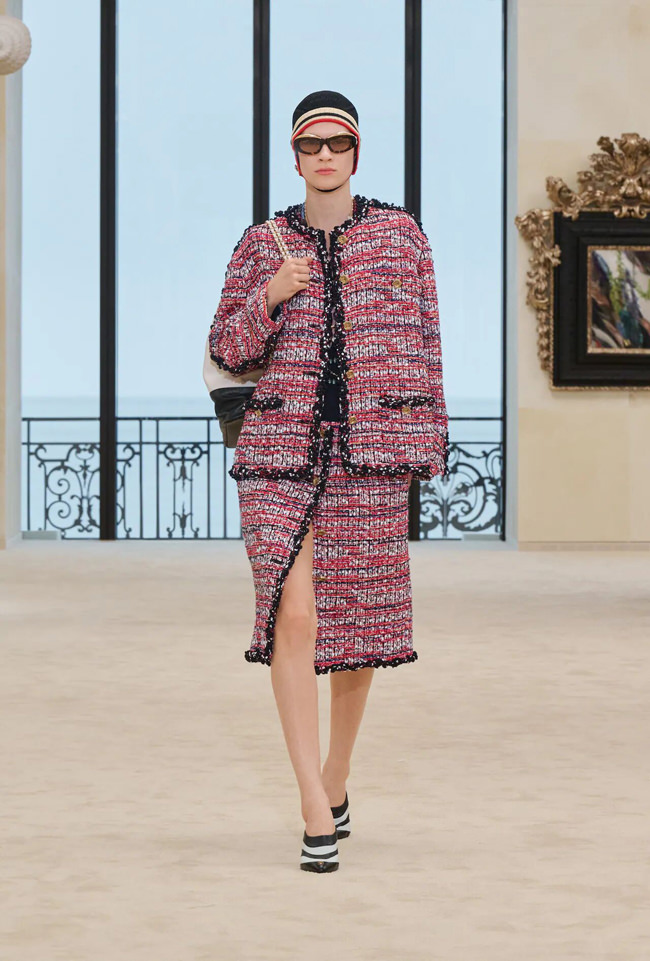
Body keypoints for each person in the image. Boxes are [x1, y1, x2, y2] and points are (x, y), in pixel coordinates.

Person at [208, 90, 449, 873]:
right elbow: (227, 347)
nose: (323, 155)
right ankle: (313, 801)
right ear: (294, 156)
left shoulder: (401, 237)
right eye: (310, 144)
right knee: (296, 615)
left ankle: (337, 772)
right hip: (278, 451)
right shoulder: (262, 243)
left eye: (336, 142)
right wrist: (270, 296)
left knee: (357, 630)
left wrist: (427, 441)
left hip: (370, 454)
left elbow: (426, 340)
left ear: (355, 151)